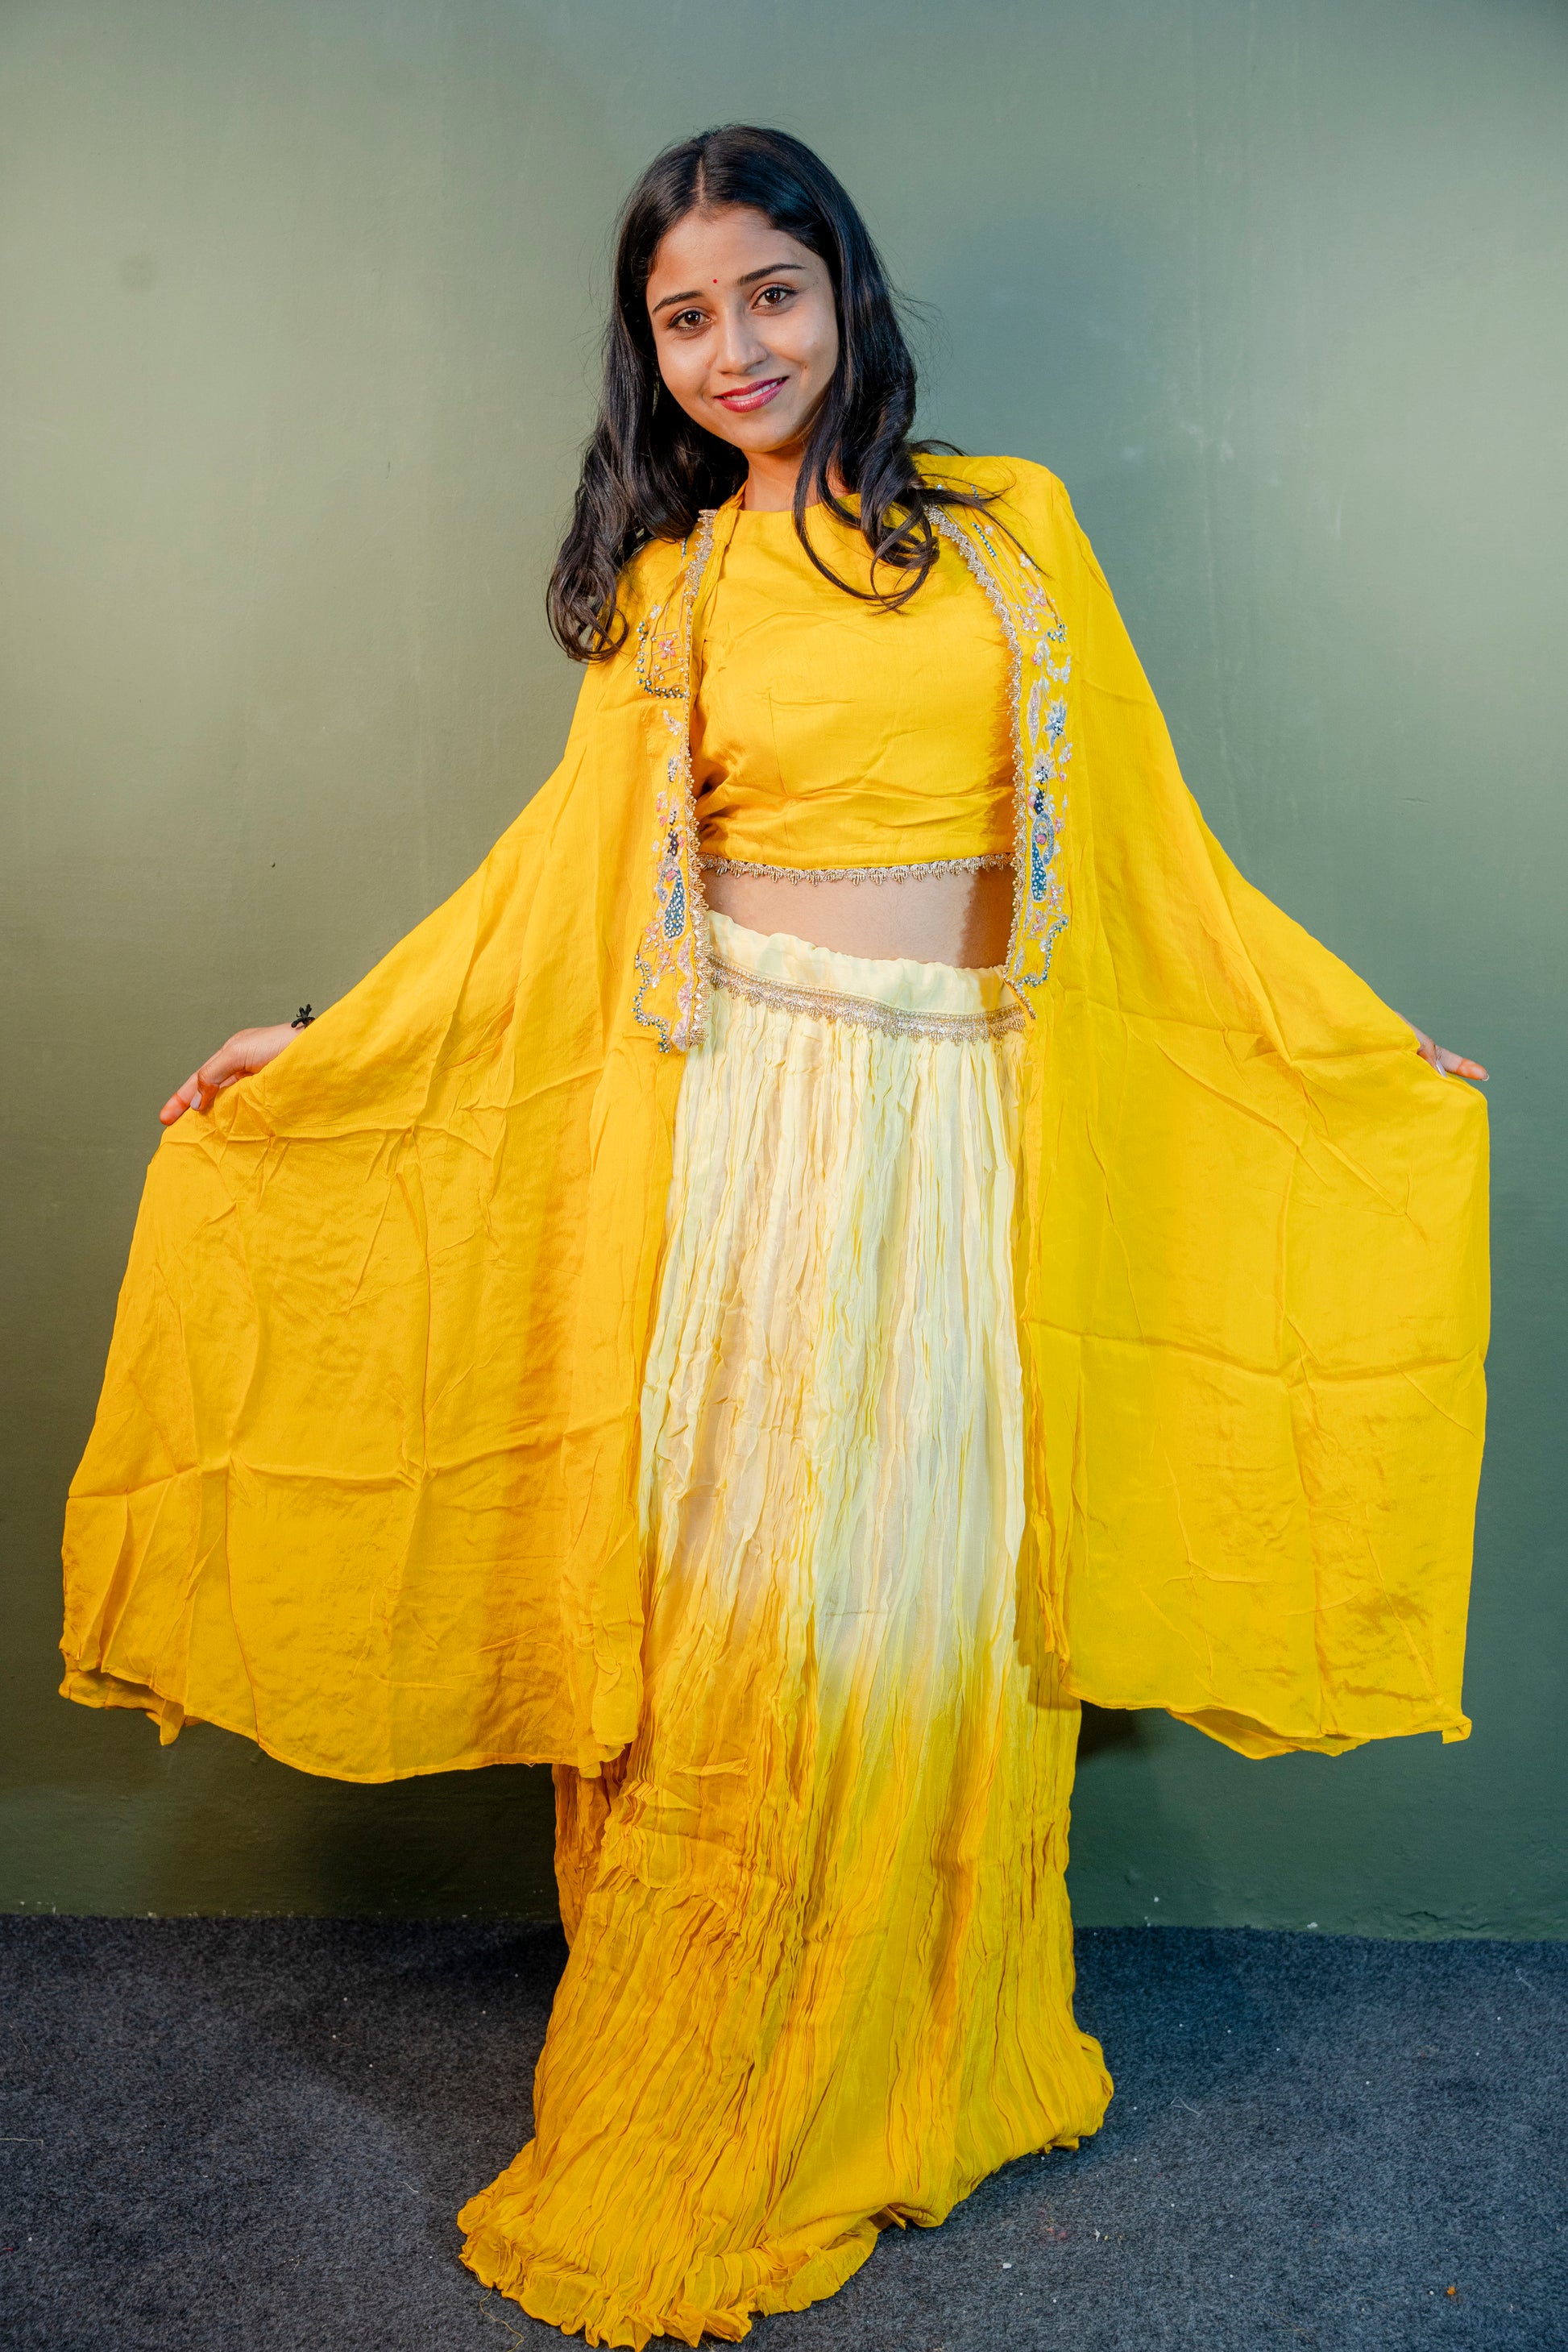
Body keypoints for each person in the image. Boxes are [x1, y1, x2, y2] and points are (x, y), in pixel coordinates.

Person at [61, 126, 1489, 2348]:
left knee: (927, 1611)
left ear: (844, 297)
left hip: (958, 1138)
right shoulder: (674, 591)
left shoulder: (1012, 535)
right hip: (748, 1144)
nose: (735, 349)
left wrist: (1339, 1043)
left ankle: (916, 2048)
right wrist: (329, 1039)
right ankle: (718, 2063)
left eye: (769, 296)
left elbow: (1155, 857)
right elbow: (546, 896)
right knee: (736, 1627)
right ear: (648, 352)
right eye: (685, 318)